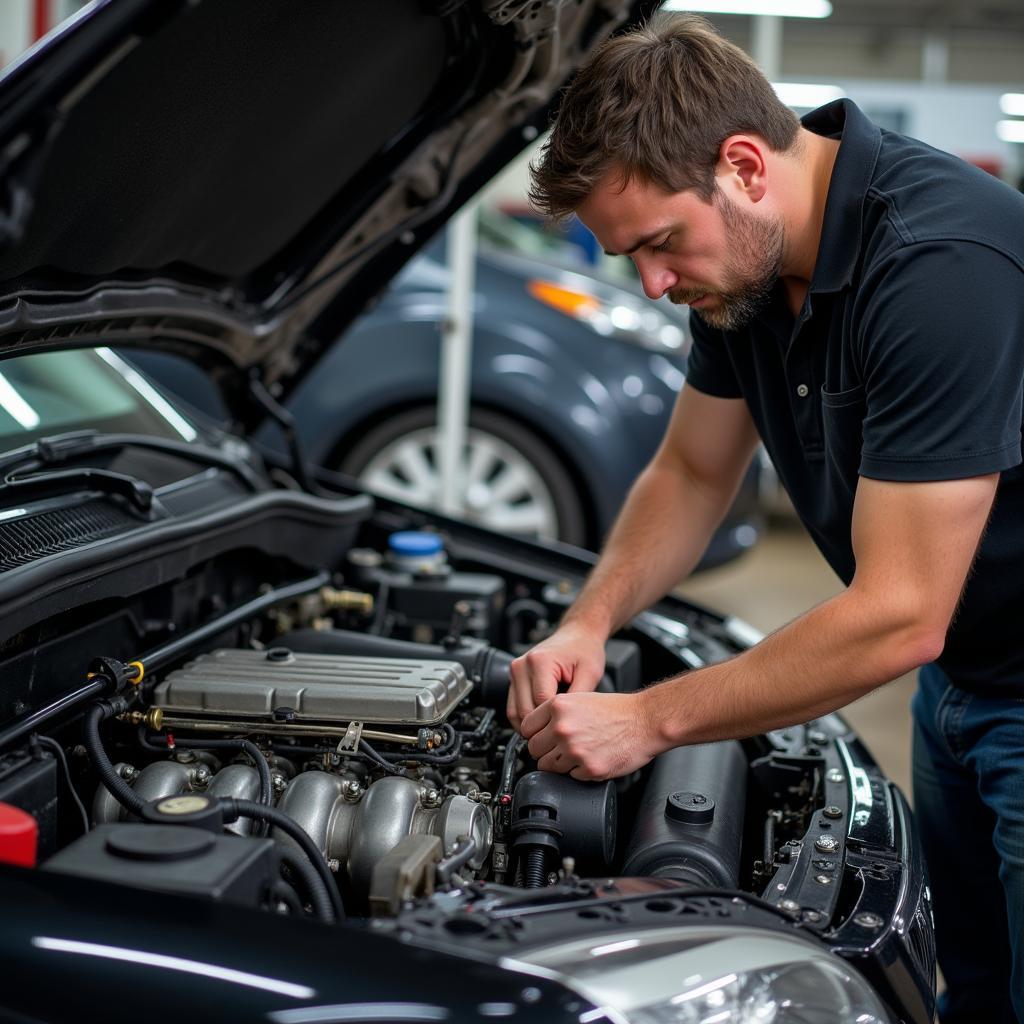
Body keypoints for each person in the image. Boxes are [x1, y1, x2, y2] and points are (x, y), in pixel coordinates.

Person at [506, 14, 1024, 1024]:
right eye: (630, 259)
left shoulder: (939, 267)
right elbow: (692, 472)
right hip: (961, 680)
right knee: (975, 984)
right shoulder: (743, 277)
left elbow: (897, 613)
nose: (654, 286)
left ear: (743, 165)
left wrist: (646, 719)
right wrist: (589, 622)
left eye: (659, 244)